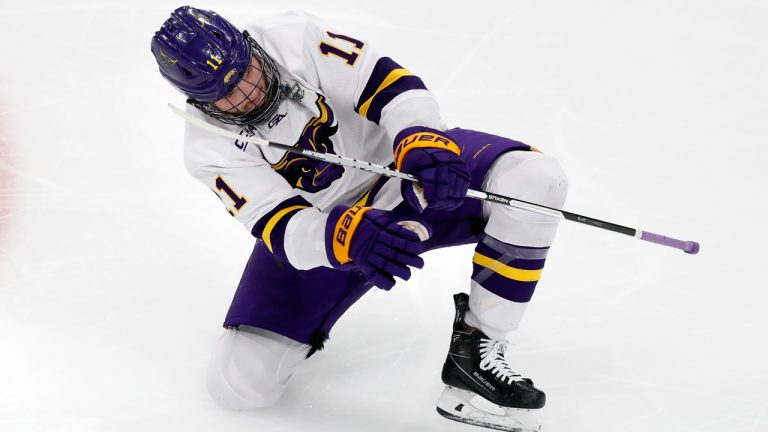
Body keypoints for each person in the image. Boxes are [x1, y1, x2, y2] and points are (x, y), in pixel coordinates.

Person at [151, 6, 568, 431]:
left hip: (407, 175)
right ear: (198, 101)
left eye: (246, 73)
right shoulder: (207, 149)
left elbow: (391, 85)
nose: (248, 94)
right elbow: (279, 224)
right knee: (238, 386)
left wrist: (420, 136)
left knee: (534, 181)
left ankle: (477, 350)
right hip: (334, 228)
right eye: (225, 94)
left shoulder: (291, 38)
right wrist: (341, 237)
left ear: (249, 46)